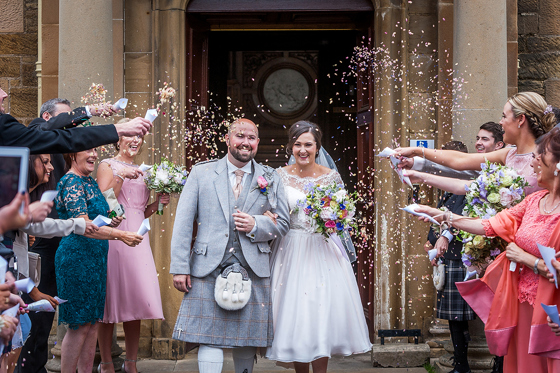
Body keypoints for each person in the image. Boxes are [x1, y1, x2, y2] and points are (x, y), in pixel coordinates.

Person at [412, 127, 560, 372]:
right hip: (522, 305)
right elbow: (489, 225)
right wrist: (440, 215)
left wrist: (525, 258)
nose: (533, 162)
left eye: (539, 155)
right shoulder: (534, 201)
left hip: (551, 312)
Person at [170, 118, 290, 373]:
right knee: (208, 335)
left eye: (251, 138)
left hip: (253, 267)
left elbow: (283, 224)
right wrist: (180, 266)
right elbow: (182, 223)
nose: (245, 142)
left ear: (257, 142)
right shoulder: (201, 172)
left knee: (246, 339)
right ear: (227, 139)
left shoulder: (270, 176)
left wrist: (256, 225)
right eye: (240, 136)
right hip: (206, 266)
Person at [265, 121, 372, 372]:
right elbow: (271, 209)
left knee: (319, 311)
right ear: (291, 146)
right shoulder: (279, 175)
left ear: (317, 147)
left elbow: (342, 213)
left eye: (308, 145)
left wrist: (334, 217)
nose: (303, 150)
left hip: (322, 249)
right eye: (298, 144)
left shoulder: (330, 176)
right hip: (290, 249)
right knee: (296, 315)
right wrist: (269, 216)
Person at [55, 149, 143, 373]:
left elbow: (102, 216)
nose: (94, 154)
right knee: (79, 326)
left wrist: (114, 220)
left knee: (93, 325)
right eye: (88, 150)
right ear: (72, 154)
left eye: (95, 150)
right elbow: (84, 226)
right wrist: (121, 235)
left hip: (96, 259)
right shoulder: (71, 182)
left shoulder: (90, 182)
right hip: (76, 259)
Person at [96, 121, 168, 373]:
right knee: (110, 302)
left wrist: (160, 203)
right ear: (119, 139)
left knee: (135, 300)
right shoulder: (107, 165)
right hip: (116, 234)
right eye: (131, 136)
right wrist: (120, 176)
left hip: (139, 235)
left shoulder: (144, 170)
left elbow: (143, 211)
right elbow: (104, 200)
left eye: (139, 137)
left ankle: (131, 363)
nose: (135, 140)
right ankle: (106, 363)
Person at [395, 92, 556, 195]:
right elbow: (459, 160)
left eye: (504, 116)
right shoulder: (508, 154)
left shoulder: (547, 156)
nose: (500, 122)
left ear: (520, 120)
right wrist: (418, 151)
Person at [424, 141, 474, 373]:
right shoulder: (448, 188)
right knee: (454, 318)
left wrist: (445, 237)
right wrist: (431, 242)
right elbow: (440, 219)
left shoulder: (467, 186)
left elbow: (462, 217)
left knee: (457, 317)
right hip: (447, 258)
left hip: (459, 258)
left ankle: (462, 365)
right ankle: (460, 362)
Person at [0, 88, 153, 154]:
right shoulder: (36, 127)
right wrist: (119, 129)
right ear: (46, 116)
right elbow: (63, 137)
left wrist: (90, 111)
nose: (4, 94)